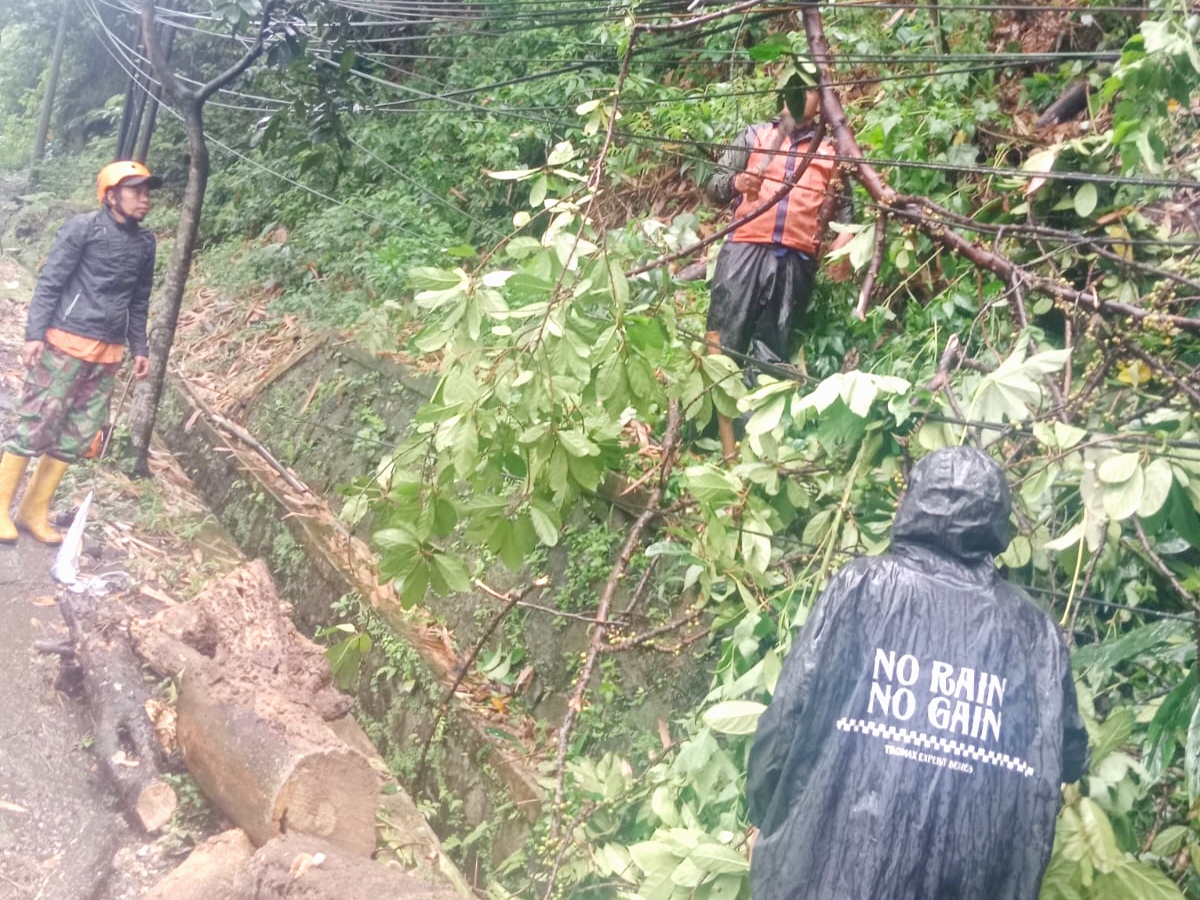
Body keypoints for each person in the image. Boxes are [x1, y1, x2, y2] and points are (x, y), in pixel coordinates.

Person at [747, 446, 1089, 900]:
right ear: (996, 524)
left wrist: (763, 813)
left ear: (912, 504)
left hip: (838, 871)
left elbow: (789, 716)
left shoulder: (861, 588)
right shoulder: (1034, 632)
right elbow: (1067, 754)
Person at [0, 160, 160, 545]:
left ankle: (33, 510)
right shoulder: (83, 228)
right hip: (65, 342)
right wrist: (34, 335)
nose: (145, 198)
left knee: (76, 434)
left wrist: (139, 346)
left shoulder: (145, 243)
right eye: (136, 191)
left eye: (147, 192)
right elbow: (50, 282)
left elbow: (139, 300)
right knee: (37, 422)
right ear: (111, 195)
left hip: (108, 354)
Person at [706, 80, 853, 379]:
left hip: (794, 261)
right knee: (722, 343)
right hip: (743, 250)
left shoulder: (830, 150)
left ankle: (758, 405)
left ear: (820, 102)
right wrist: (737, 182)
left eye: (808, 90)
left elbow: (847, 210)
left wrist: (844, 239)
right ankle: (711, 405)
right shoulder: (754, 135)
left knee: (772, 355)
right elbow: (713, 186)